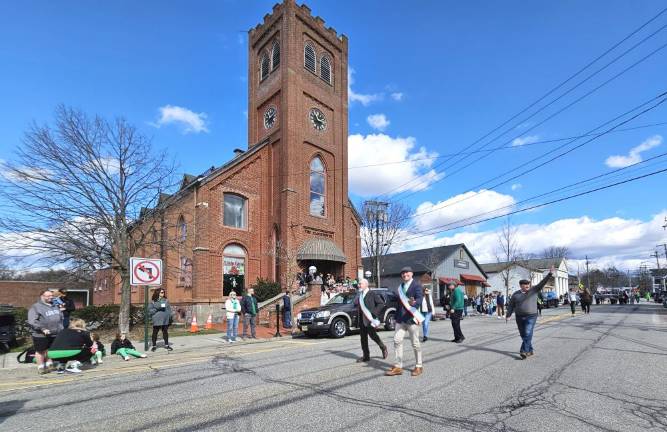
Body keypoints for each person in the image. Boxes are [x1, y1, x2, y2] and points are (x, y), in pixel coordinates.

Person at [506, 267, 554, 359]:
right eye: (525, 284)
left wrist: (550, 274)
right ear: (521, 286)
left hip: (531, 316)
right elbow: (511, 305)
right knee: (523, 334)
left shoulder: (534, 290)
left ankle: (523, 351)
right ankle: (530, 350)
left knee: (528, 332)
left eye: (528, 284)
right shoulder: (515, 294)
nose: (527, 285)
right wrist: (508, 315)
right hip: (519, 316)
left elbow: (542, 283)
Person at [386, 267, 424, 377]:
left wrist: (415, 303)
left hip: (411, 318)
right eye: (402, 273)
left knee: (415, 343)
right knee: (397, 340)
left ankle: (419, 365)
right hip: (400, 318)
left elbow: (420, 299)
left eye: (407, 272)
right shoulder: (400, 287)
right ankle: (398, 366)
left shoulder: (416, 285)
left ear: (411, 274)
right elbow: (397, 300)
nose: (404, 274)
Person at [27, 289, 63, 374]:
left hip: (54, 333)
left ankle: (49, 365)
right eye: (48, 296)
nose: (51, 297)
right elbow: (32, 321)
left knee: (49, 350)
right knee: (40, 351)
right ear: (42, 296)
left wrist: (61, 329)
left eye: (52, 296)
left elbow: (60, 318)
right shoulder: (36, 307)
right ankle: (41, 368)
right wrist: (42, 329)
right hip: (40, 334)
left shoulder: (55, 305)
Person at [355, 279, 388, 363]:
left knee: (373, 336)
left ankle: (383, 347)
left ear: (366, 285)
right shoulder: (360, 295)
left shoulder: (372, 293)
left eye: (360, 284)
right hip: (362, 320)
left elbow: (381, 304)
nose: (359, 285)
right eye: (359, 284)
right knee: (363, 338)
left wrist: (374, 313)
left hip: (370, 319)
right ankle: (366, 356)